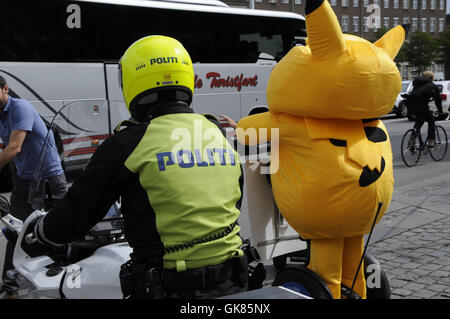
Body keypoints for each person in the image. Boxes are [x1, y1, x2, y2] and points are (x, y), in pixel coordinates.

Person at [22, 36, 248, 299]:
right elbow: (235, 198)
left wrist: (40, 231)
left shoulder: (128, 142)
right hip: (236, 280)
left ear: (131, 81)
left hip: (172, 287)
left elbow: (76, 214)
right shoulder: (215, 131)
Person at [0, 75, 68, 298]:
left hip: (50, 177)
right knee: (15, 231)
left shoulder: (21, 108)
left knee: (57, 227)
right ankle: (10, 288)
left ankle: (62, 275)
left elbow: (13, 149)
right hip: (25, 177)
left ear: (5, 89)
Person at [405, 70, 443, 147]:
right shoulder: (432, 85)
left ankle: (413, 138)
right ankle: (431, 141)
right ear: (431, 78)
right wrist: (440, 111)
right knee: (431, 121)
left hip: (410, 106)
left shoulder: (416, 84)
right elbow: (438, 100)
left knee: (420, 120)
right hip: (421, 107)